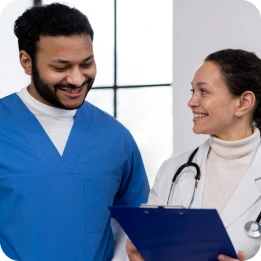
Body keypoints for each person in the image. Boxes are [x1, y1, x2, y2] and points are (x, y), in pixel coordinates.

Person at [0, 3, 149, 261]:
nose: (78, 79)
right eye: (61, 67)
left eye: (86, 64)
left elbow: (136, 224)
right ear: (27, 62)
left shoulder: (116, 138)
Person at [126, 48, 261, 261]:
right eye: (193, 91)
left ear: (243, 103)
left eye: (204, 92)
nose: (192, 101)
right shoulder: (173, 170)